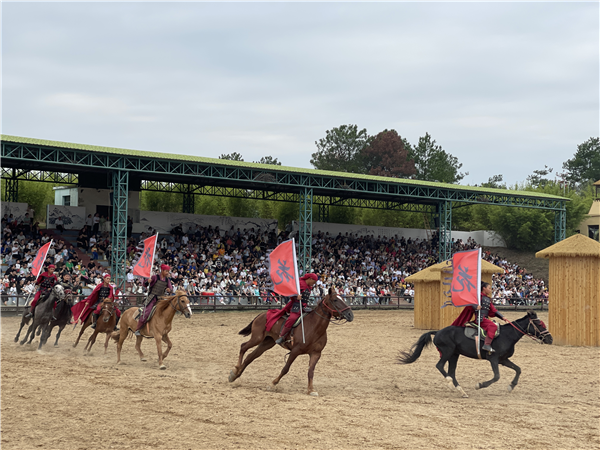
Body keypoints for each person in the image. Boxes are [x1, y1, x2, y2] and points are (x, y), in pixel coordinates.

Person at [451, 281, 507, 353]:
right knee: (493, 326)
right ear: (484, 288)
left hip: (485, 319)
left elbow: (493, 310)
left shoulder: (488, 299)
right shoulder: (477, 297)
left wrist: (502, 317)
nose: (490, 290)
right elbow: (470, 303)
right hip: (480, 319)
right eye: (489, 288)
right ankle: (487, 344)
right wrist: (475, 307)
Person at [275, 273, 318, 345]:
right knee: (292, 318)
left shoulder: (308, 286)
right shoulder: (300, 284)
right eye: (314, 282)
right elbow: (290, 292)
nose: (314, 284)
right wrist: (296, 296)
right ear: (310, 279)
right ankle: (282, 336)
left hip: (304, 306)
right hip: (296, 305)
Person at [135, 264, 173, 336]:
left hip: (161, 299)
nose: (167, 273)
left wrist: (170, 290)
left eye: (168, 271)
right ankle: (138, 329)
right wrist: (148, 282)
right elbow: (145, 284)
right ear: (162, 270)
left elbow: (170, 288)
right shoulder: (155, 277)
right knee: (147, 313)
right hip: (152, 297)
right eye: (166, 271)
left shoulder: (167, 280)